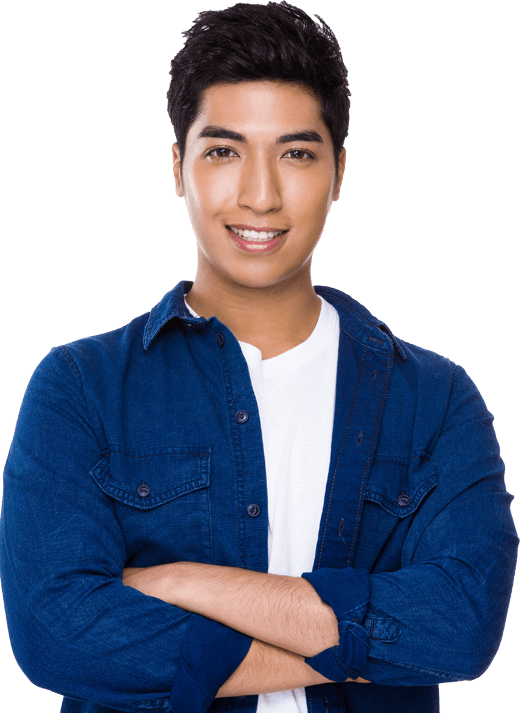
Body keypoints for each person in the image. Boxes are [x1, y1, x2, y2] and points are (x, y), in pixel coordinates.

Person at [0, 2, 517, 712]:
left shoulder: (435, 398)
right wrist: (356, 648)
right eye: (224, 151)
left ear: (339, 172)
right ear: (178, 167)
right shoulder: (79, 388)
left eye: (296, 153)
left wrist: (182, 582)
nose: (261, 195)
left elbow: (460, 626)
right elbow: (58, 635)